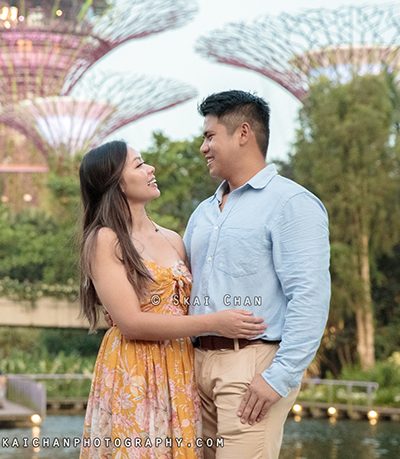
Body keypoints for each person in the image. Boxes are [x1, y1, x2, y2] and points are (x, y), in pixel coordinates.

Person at [78, 140, 268, 459]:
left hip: (178, 366)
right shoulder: (105, 239)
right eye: (139, 165)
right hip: (133, 369)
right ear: (115, 182)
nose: (150, 169)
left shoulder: (173, 239)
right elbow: (131, 322)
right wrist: (217, 323)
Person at [183, 90, 331, 459]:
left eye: (209, 136)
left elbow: (309, 294)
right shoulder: (203, 212)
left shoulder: (291, 203)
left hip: (252, 366)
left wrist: (279, 377)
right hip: (194, 365)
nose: (203, 147)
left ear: (243, 133)